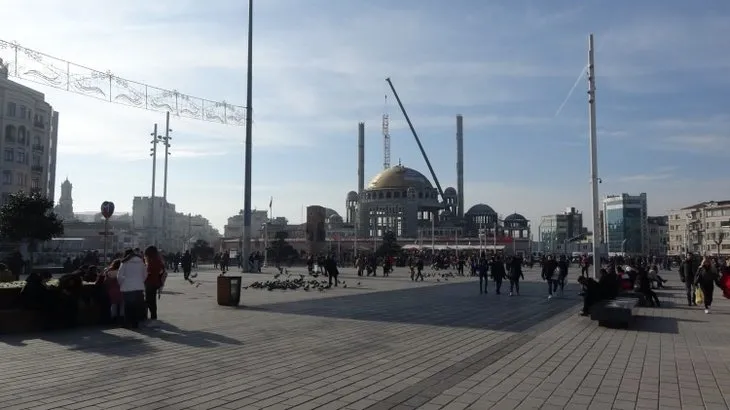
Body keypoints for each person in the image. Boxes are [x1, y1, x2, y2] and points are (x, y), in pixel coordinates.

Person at [117, 249, 147, 328]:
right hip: (139, 287)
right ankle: (135, 323)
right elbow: (145, 274)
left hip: (127, 287)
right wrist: (140, 281)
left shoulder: (124, 262)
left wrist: (122, 283)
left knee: (128, 306)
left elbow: (119, 276)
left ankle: (128, 322)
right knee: (137, 306)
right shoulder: (141, 262)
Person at [143, 246, 166, 323]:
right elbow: (162, 270)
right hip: (156, 282)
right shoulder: (158, 260)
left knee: (149, 301)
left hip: (150, 283)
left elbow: (148, 272)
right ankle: (153, 317)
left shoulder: (152, 261)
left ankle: (152, 317)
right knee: (152, 301)